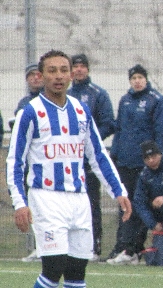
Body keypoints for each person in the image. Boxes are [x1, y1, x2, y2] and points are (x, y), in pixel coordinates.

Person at [6, 50, 132, 288]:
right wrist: (20, 202)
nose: (58, 76)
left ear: (71, 75)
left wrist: (118, 190)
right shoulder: (30, 112)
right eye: (52, 71)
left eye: (64, 70)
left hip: (79, 200)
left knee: (76, 273)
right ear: (41, 76)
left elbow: (98, 155)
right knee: (53, 269)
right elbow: (15, 161)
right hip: (46, 197)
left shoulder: (81, 111)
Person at [107, 64, 163, 264]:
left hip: (144, 166)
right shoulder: (125, 100)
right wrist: (115, 156)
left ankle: (134, 249)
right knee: (124, 206)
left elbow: (162, 132)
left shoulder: (157, 100)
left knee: (141, 206)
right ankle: (122, 247)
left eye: (140, 77)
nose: (137, 81)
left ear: (146, 79)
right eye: (133, 77)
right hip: (124, 163)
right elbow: (119, 130)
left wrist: (154, 159)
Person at [67, 53, 116, 261]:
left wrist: (86, 142)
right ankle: (68, 246)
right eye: (75, 66)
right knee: (67, 204)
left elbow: (108, 124)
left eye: (82, 66)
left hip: (87, 161)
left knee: (91, 204)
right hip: (67, 160)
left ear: (87, 69)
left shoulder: (98, 94)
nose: (78, 70)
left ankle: (93, 247)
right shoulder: (65, 94)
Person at [14, 63, 45, 263]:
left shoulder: (48, 101)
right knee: (32, 206)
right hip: (27, 164)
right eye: (30, 75)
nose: (34, 78)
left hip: (43, 164)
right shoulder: (24, 103)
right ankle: (37, 246)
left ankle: (47, 247)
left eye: (37, 75)